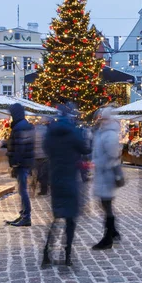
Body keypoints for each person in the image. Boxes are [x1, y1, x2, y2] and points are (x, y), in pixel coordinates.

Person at [42, 105, 90, 267]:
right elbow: (85, 148)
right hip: (70, 178)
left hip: (56, 178)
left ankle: (46, 253)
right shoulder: (73, 132)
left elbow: (46, 149)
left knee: (56, 217)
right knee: (70, 219)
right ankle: (67, 255)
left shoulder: (50, 133)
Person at [91, 107, 124, 250]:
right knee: (105, 204)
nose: (100, 120)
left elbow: (112, 155)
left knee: (106, 205)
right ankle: (114, 232)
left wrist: (97, 163)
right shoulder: (102, 132)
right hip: (102, 174)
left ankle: (108, 237)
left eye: (102, 118)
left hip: (107, 174)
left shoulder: (109, 134)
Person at [6, 103, 35, 227]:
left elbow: (19, 148)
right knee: (21, 189)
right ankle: (23, 214)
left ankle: (26, 217)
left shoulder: (19, 128)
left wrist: (15, 163)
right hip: (26, 162)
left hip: (21, 163)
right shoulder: (25, 125)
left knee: (23, 190)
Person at [34, 120, 49, 196]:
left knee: (39, 173)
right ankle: (44, 189)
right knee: (44, 173)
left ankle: (43, 189)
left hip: (36, 156)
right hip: (45, 156)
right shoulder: (46, 131)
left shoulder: (33, 131)